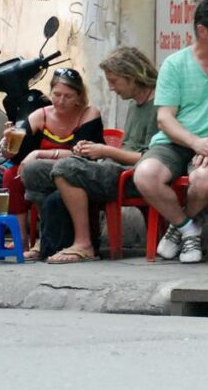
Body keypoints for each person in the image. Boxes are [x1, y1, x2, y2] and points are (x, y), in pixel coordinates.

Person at [133, 0, 208, 264]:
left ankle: (177, 229)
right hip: (174, 142)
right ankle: (188, 228)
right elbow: (164, 118)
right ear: (202, 31)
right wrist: (196, 142)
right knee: (145, 175)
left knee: (207, 180)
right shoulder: (174, 64)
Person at [20, 47, 159, 263]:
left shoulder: (158, 106)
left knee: (66, 167)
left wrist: (104, 150)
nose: (111, 88)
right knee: (33, 169)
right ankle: (48, 240)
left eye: (114, 81)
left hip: (136, 176)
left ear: (132, 76)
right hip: (113, 167)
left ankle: (84, 244)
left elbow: (151, 159)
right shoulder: (134, 104)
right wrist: (91, 150)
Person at [1, 68, 104, 259]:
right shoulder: (40, 115)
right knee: (11, 175)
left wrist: (40, 153)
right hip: (41, 174)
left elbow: (82, 153)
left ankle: (47, 238)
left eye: (68, 96)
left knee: (41, 173)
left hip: (75, 172)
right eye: (56, 94)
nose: (61, 101)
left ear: (79, 97)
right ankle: (21, 238)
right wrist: (8, 143)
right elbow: (13, 156)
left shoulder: (89, 114)